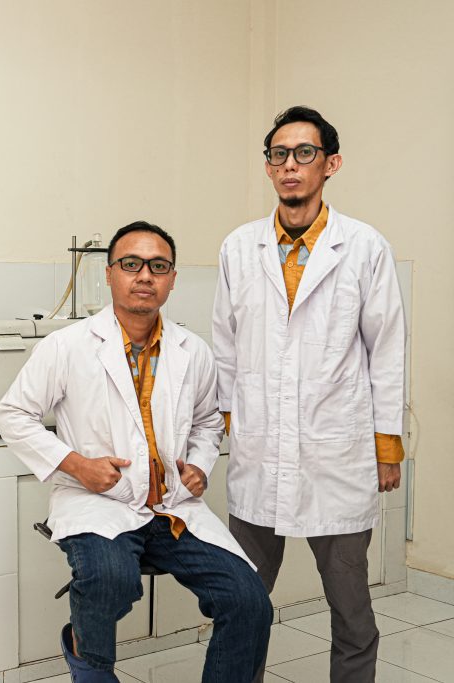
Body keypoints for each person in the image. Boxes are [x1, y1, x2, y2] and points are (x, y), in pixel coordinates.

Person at [0, 221, 272, 683]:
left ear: (172, 279)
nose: (145, 275)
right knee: (110, 580)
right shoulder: (67, 346)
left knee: (249, 600)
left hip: (172, 507)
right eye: (131, 264)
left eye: (158, 266)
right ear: (109, 274)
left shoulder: (192, 350)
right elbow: (13, 414)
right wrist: (78, 466)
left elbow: (208, 421)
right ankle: (89, 662)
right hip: (99, 501)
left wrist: (199, 465)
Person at [213, 106, 406, 682]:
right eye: (279, 154)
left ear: (331, 164)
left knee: (351, 610)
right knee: (242, 605)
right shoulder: (239, 247)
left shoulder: (364, 247)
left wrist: (387, 446)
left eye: (304, 153)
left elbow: (386, 350)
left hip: (337, 455)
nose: (290, 165)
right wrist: (228, 428)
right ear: (268, 167)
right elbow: (225, 346)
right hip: (259, 454)